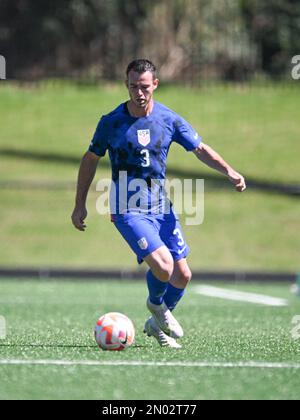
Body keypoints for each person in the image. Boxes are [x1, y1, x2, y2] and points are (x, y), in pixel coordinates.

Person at [71, 59, 246, 348]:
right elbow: (90, 159)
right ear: (126, 85)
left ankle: (155, 324)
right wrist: (80, 204)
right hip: (127, 209)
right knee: (164, 267)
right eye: (132, 87)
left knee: (182, 274)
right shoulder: (111, 122)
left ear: (155, 85)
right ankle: (156, 306)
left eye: (143, 86)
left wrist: (229, 171)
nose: (138, 93)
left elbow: (199, 149)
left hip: (160, 207)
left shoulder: (168, 119)